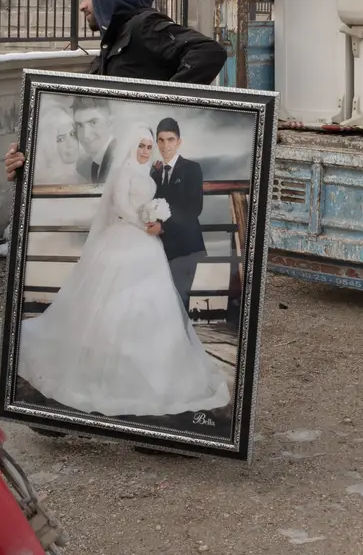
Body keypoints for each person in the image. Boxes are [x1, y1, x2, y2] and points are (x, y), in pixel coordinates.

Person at [14, 123, 230, 418]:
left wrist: (157, 218)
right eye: (141, 145)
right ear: (132, 146)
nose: (145, 150)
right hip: (129, 237)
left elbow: (188, 207)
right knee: (114, 302)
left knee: (151, 304)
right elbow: (119, 204)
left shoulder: (157, 171)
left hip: (152, 245)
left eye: (148, 145)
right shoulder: (126, 171)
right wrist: (144, 222)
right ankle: (106, 365)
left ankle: (152, 364)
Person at [4, 0, 226, 182]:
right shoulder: (112, 45)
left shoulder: (143, 26)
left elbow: (208, 52)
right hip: (117, 170)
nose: (82, 6)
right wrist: (30, 158)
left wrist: (163, 103)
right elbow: (80, 117)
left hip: (142, 169)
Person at [149, 117, 206, 316]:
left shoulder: (192, 169)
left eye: (170, 140)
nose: (165, 146)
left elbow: (193, 209)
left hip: (186, 249)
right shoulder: (154, 172)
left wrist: (163, 227)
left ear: (179, 142)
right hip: (161, 250)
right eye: (161, 140)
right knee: (160, 303)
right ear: (157, 142)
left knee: (180, 304)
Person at [29, 107, 85, 184]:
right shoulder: (43, 183)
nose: (70, 144)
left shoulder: (82, 179)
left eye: (72, 134)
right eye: (60, 139)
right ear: (49, 145)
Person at [73, 98, 117, 184]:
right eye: (79, 125)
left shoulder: (118, 163)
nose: (86, 135)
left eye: (93, 123)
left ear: (109, 123)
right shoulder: (84, 166)